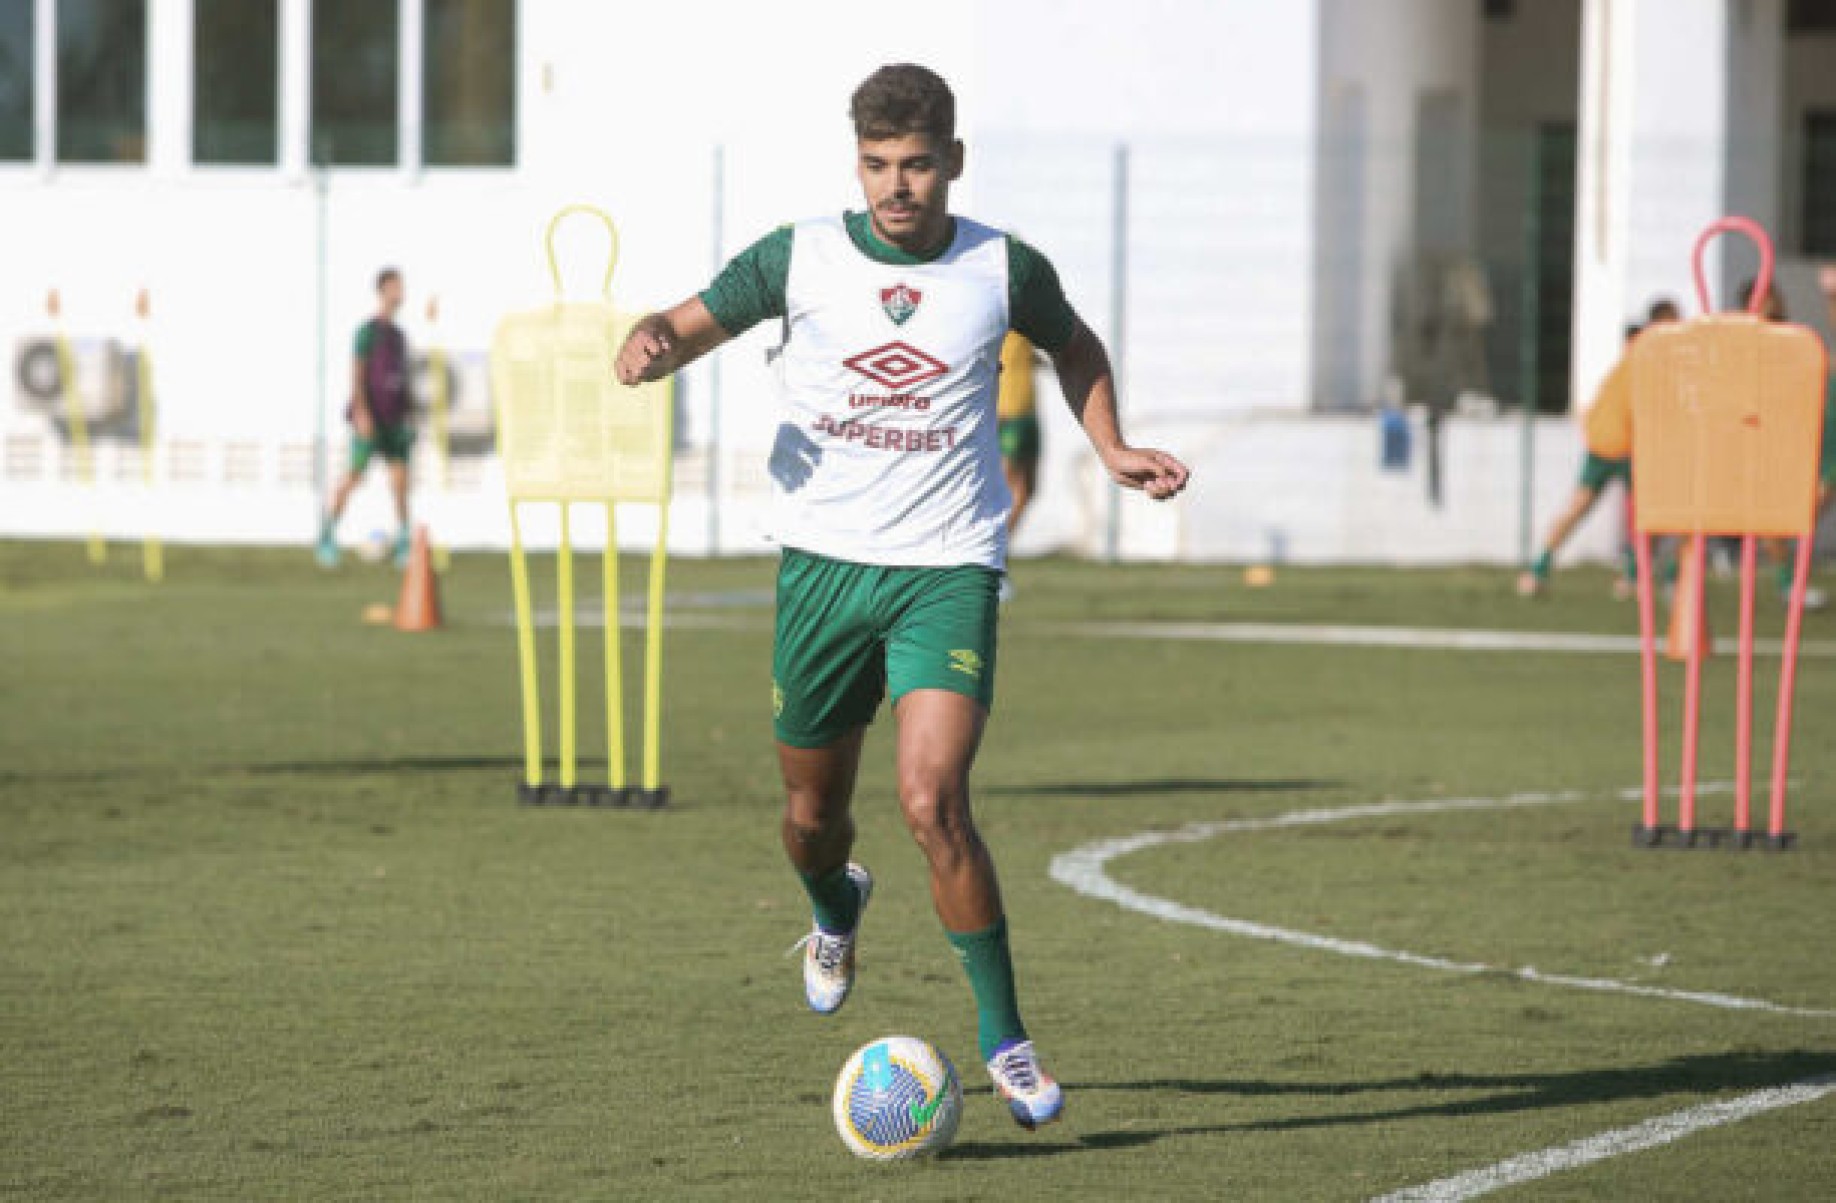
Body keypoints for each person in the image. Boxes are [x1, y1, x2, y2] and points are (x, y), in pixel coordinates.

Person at [613, 64, 1189, 1131]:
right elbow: (687, 322)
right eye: (878, 165)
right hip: (822, 571)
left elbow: (1075, 347)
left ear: (952, 162)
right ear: (858, 164)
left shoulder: (1003, 267)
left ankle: (1006, 1042)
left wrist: (1107, 446)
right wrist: (650, 342)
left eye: (917, 164)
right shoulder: (802, 256)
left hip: (947, 569)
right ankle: (837, 908)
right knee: (809, 818)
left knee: (934, 803)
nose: (897, 187)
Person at [1518, 298, 1679, 598]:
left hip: (1615, 441)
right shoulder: (1647, 355)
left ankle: (1629, 574)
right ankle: (1543, 568)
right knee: (1640, 514)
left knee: (1638, 514)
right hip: (1618, 444)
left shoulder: (1644, 354)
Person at [318, 269, 415, 569]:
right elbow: (357, 374)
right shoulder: (367, 331)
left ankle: (403, 541)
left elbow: (402, 378)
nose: (400, 292)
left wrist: (409, 414)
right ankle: (328, 535)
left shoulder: (399, 336)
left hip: (395, 421)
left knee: (400, 481)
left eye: (402, 286)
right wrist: (361, 411)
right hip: (370, 418)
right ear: (383, 290)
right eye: (395, 287)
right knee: (354, 475)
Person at [997, 330, 1042, 536]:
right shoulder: (1001, 322)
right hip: (1008, 414)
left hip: (1028, 413)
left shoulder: (1026, 327)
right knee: (1012, 490)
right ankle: (997, 544)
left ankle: (1001, 543)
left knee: (1030, 489)